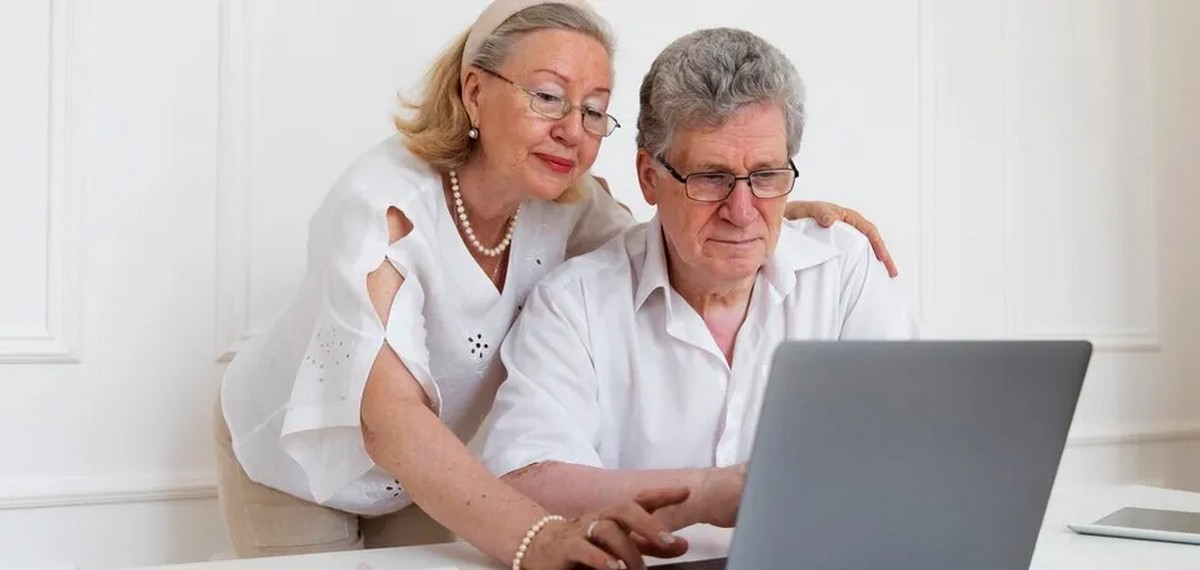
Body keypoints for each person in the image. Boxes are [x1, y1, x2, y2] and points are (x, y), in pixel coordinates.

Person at [215, 1, 896, 567]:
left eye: (594, 109)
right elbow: (388, 422)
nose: (572, 130)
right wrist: (535, 540)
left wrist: (768, 214)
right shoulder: (380, 208)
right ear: (474, 91)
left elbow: (673, 236)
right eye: (547, 97)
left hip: (434, 469)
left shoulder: (568, 202)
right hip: (299, 458)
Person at [478, 27, 920, 533]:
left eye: (766, 175)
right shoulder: (573, 303)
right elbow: (527, 481)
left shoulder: (843, 272)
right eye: (711, 178)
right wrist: (706, 495)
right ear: (649, 177)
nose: (741, 211)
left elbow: (910, 448)